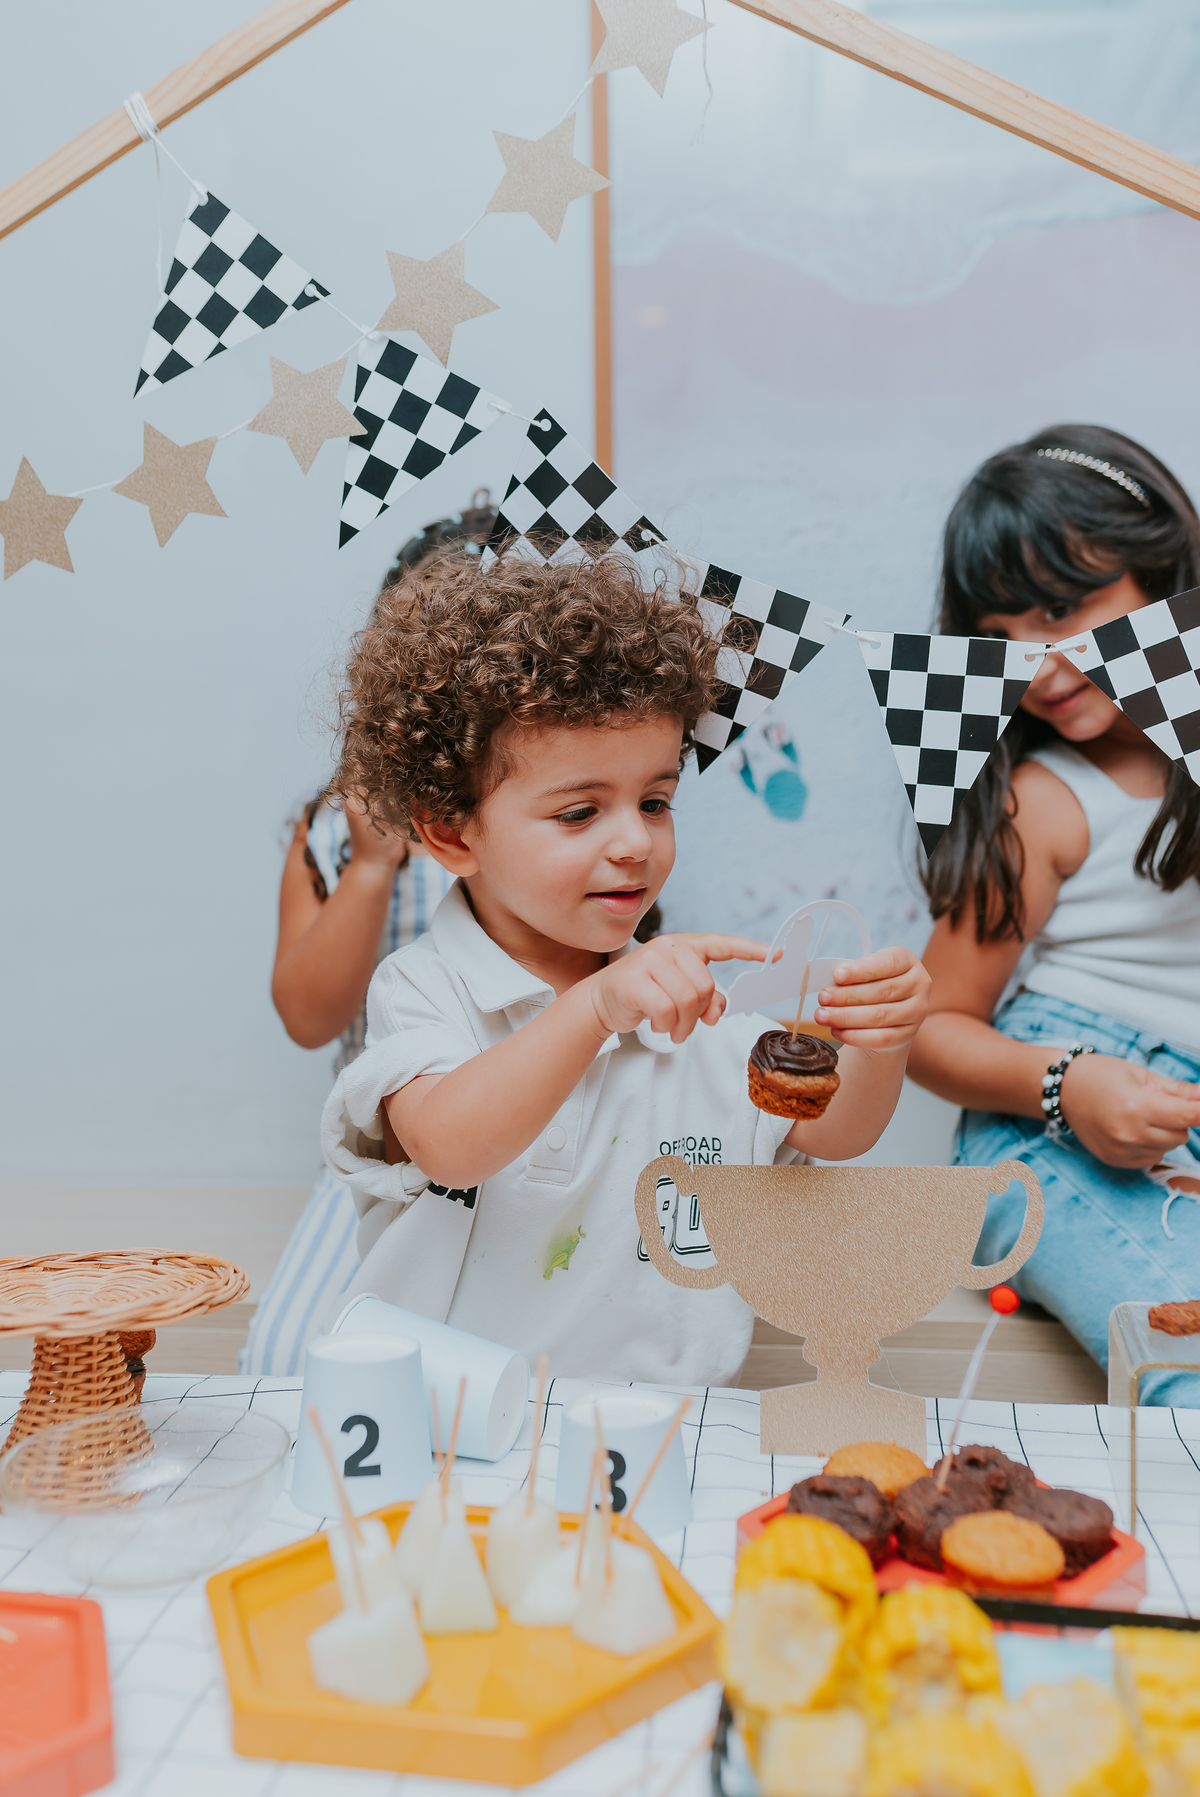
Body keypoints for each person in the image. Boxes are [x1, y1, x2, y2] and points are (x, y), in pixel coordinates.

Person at [320, 548, 931, 1385]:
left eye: (655, 800)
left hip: (661, 1432)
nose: (636, 841)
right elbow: (451, 1146)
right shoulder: (425, 988)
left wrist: (882, 1039)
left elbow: (836, 1126)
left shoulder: (689, 1001)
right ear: (453, 834)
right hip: (445, 1428)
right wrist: (594, 1008)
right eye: (580, 811)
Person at [907, 424, 1200, 1403]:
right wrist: (1068, 1084)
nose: (1036, 662)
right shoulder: (1046, 800)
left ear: (1165, 577)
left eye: (1063, 608)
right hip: (1047, 1127)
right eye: (1000, 636)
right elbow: (931, 1030)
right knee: (1189, 1359)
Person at [241, 501, 490, 1375]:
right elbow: (309, 1017)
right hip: (381, 1168)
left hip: (528, 1154)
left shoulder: (562, 824)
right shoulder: (336, 831)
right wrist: (373, 860)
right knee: (287, 1357)